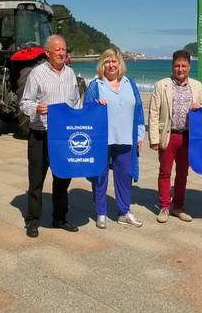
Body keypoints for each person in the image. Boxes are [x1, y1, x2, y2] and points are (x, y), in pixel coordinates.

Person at [19, 34, 81, 238]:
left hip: (64, 138)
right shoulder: (36, 74)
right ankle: (33, 220)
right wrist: (37, 107)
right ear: (47, 53)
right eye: (58, 50)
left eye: (64, 49)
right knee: (36, 181)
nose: (62, 53)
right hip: (40, 135)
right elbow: (24, 102)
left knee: (63, 179)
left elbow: (76, 103)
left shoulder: (71, 74)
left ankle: (60, 218)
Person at [84, 48, 145, 229]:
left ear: (120, 64)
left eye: (114, 62)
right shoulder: (96, 86)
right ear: (102, 65)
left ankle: (124, 212)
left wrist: (140, 136)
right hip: (102, 140)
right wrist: (96, 105)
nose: (111, 65)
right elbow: (86, 112)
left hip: (126, 138)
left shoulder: (130, 83)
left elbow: (139, 111)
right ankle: (101, 212)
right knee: (100, 177)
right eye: (107, 62)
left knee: (124, 177)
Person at [148, 50, 202, 223]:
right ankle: (165, 206)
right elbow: (153, 113)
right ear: (172, 66)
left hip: (188, 137)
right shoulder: (162, 85)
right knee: (165, 172)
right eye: (177, 65)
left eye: (183, 65)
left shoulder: (197, 86)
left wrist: (200, 107)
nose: (180, 69)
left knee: (182, 173)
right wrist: (154, 139)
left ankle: (178, 207)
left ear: (189, 67)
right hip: (168, 135)